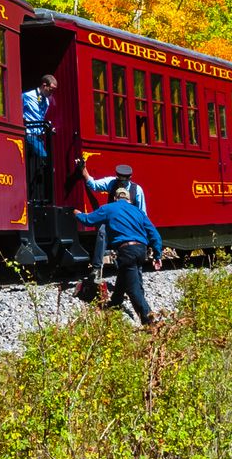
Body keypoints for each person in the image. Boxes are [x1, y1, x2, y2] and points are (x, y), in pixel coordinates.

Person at [73, 187, 163, 326]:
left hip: (126, 251)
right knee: (124, 274)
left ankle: (150, 321)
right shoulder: (138, 212)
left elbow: (88, 220)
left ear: (115, 198)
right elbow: (155, 235)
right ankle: (115, 302)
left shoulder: (109, 208)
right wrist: (157, 255)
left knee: (134, 290)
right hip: (141, 251)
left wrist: (77, 214)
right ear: (129, 199)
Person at [75, 159, 147, 281]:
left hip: (129, 226)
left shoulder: (137, 190)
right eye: (120, 180)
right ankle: (97, 268)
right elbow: (94, 185)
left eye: (124, 180)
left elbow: (142, 214)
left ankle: (133, 276)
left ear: (129, 178)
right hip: (113, 223)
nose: (122, 183)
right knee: (102, 231)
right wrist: (83, 170)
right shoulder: (111, 183)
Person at [21, 74, 56, 194]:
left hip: (39, 135)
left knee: (40, 163)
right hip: (30, 133)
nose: (51, 92)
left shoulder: (46, 101)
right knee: (43, 158)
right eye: (51, 89)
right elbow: (17, 108)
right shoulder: (27, 96)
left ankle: (38, 191)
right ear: (44, 85)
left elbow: (41, 116)